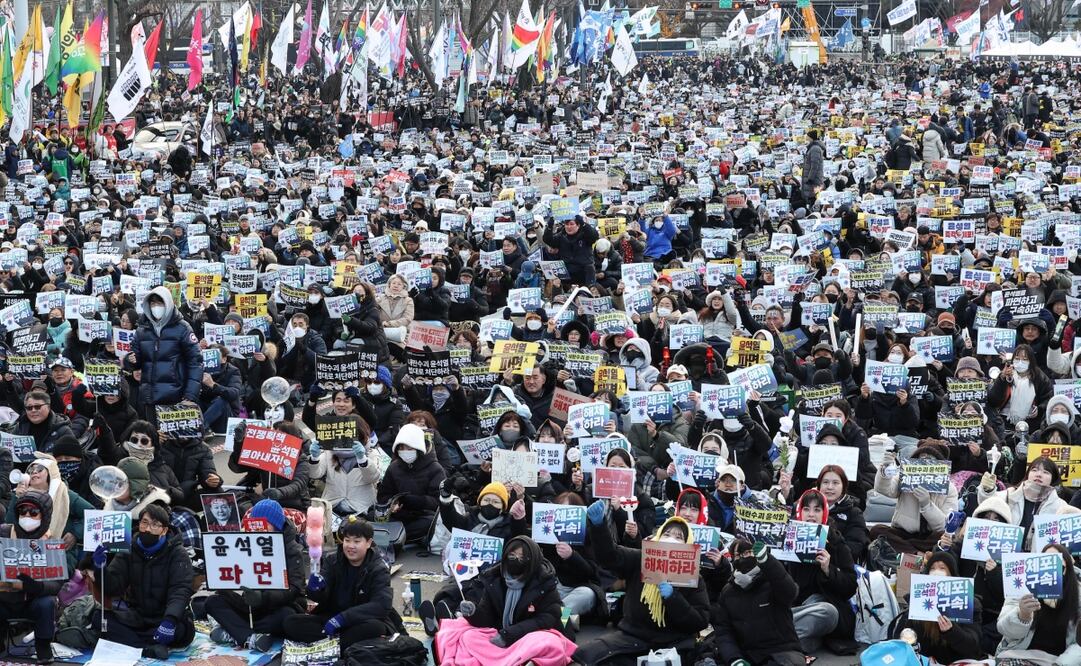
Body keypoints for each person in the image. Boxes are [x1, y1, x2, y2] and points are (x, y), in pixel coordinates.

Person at [574, 511, 710, 665]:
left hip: (673, 643)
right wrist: (599, 526)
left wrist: (674, 598)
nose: (671, 539)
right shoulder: (641, 559)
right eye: (666, 534)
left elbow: (699, 621)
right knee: (591, 654)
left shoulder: (693, 578)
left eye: (679, 537)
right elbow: (611, 557)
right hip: (633, 637)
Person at [435, 536, 574, 665]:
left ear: (532, 560)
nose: (516, 560)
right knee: (468, 636)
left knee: (548, 642)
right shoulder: (494, 579)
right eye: (512, 556)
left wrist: (509, 635)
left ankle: (514, 659)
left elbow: (544, 620)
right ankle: (515, 660)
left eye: (522, 557)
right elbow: (487, 617)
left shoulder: (544, 583)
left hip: (529, 635)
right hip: (500, 634)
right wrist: (473, 613)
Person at [89, 504, 196, 660]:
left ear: (164, 530)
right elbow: (113, 586)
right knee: (99, 618)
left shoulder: (177, 553)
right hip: (136, 617)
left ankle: (136, 644)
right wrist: (100, 567)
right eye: (144, 522)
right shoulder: (129, 549)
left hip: (164, 618)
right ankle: (146, 649)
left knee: (183, 631)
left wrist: (170, 620)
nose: (148, 529)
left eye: (155, 525)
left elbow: (181, 590)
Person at [284, 515, 404, 647]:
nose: (351, 546)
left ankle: (332, 644)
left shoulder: (378, 568)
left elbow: (381, 605)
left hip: (359, 620)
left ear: (368, 543)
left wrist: (343, 619)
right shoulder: (332, 560)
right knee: (291, 622)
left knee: (375, 628)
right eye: (347, 540)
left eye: (357, 541)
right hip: (332, 616)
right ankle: (338, 643)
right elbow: (321, 597)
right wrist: (316, 589)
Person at [205, 500, 304, 652]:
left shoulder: (291, 549)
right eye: (255, 523)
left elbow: (295, 587)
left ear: (276, 526)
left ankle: (235, 632)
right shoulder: (245, 543)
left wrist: (263, 597)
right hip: (249, 606)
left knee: (287, 616)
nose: (259, 528)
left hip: (275, 607)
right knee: (213, 602)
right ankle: (249, 637)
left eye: (264, 524)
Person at [711, 539, 804, 666]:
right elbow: (723, 631)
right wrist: (734, 659)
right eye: (737, 555)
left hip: (782, 652)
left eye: (747, 552)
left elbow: (790, 592)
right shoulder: (728, 592)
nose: (743, 557)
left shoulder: (772, 579)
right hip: (748, 655)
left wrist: (768, 561)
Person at [0, 491, 61, 663]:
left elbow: (57, 584)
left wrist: (37, 586)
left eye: (33, 512)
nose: (27, 516)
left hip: (32, 602)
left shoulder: (51, 542)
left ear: (44, 516)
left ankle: (43, 646)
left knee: (47, 602)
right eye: (22, 511)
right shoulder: (3, 534)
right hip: (3, 598)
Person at [890, 551, 984, 662]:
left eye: (942, 568)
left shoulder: (967, 604)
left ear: (951, 574)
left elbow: (972, 645)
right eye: (932, 568)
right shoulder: (918, 601)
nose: (936, 572)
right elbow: (901, 636)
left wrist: (951, 631)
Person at [130, 286, 204, 416]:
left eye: (160, 303)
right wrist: (129, 360)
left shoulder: (183, 328)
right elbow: (136, 360)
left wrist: (190, 395)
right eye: (152, 304)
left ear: (168, 303)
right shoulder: (142, 330)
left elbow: (195, 362)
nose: (155, 307)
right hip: (150, 397)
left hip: (176, 397)